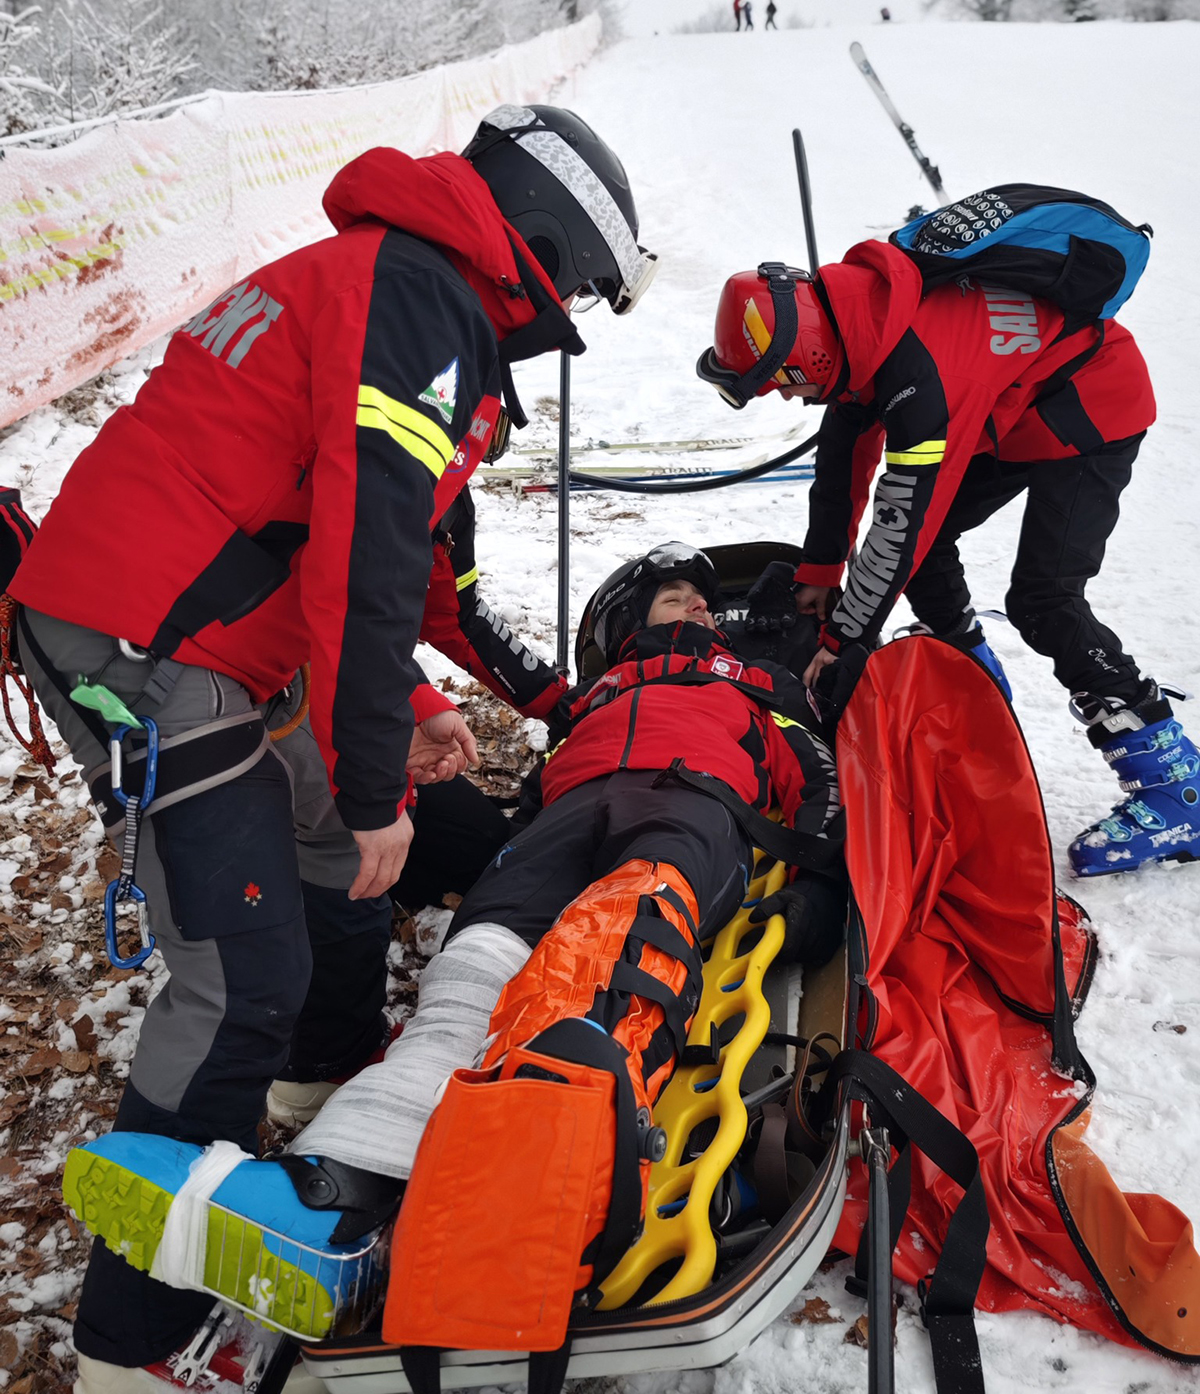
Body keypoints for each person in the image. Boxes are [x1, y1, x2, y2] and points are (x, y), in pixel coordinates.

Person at [10, 102, 657, 1390]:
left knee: (326, 864)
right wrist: (376, 786)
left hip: (201, 629)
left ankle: (318, 1110)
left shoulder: (391, 273)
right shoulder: (422, 299)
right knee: (236, 972)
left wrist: (440, 707)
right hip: (142, 643)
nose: (562, 317)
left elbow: (386, 548)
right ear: (542, 240)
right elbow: (364, 560)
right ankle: (124, 1347)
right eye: (577, 286)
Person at [60, 543, 846, 1341]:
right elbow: (540, 764)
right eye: (677, 599)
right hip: (565, 816)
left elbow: (818, 778)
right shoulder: (593, 697)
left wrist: (817, 881)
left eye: (703, 603)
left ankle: (529, 1197)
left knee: (607, 950)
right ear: (624, 623)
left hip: (694, 802)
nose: (700, 610)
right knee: (469, 970)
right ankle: (329, 1201)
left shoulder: (758, 687)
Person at [696, 247, 1199, 878]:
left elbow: (902, 518)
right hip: (1014, 401)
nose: (790, 399)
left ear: (810, 355)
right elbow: (841, 459)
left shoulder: (920, 372)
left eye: (784, 382)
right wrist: (821, 573)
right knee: (928, 549)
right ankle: (980, 686)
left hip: (1092, 405)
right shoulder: (861, 327)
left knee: (1043, 599)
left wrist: (843, 636)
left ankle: (1173, 783)